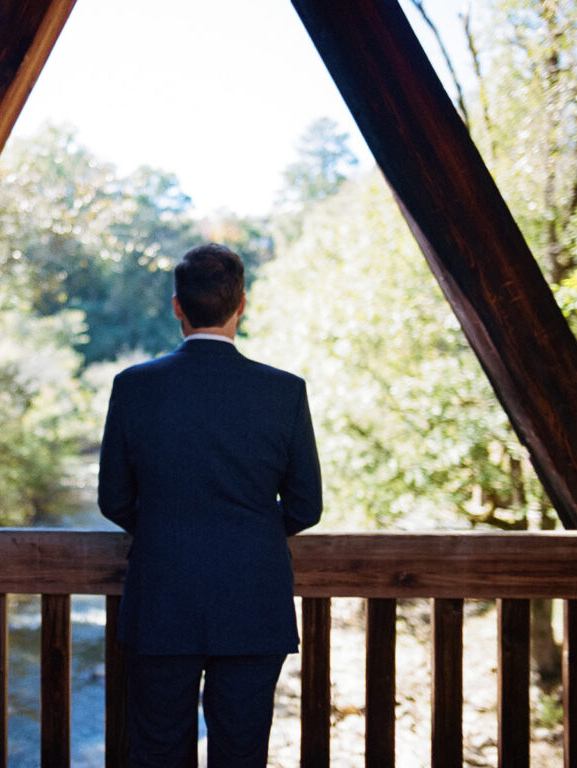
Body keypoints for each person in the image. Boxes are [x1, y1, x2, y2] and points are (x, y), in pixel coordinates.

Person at [98, 243, 323, 768]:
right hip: (253, 597)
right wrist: (253, 532)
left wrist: (163, 525)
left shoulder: (133, 387)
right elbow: (306, 506)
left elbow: (113, 499)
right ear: (241, 304)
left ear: (177, 306)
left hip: (161, 597)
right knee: (242, 754)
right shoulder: (284, 391)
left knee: (157, 751)